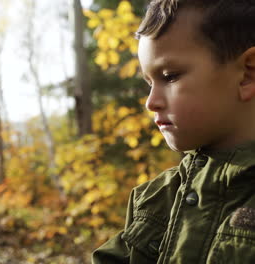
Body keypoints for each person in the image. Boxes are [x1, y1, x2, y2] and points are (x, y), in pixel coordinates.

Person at [92, 0, 255, 263]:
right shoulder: (156, 200)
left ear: (247, 73)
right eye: (148, 82)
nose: (150, 102)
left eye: (169, 76)